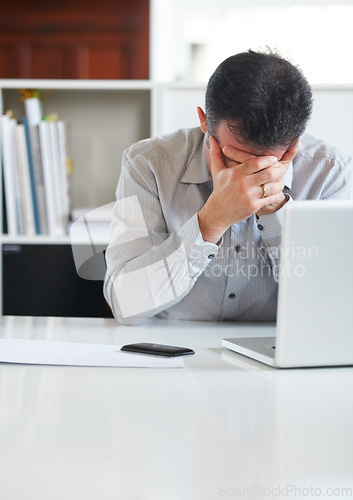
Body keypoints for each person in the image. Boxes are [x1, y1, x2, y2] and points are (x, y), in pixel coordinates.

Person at [103, 49, 353, 325]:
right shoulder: (148, 163)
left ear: (294, 143)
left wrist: (275, 212)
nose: (249, 176)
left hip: (276, 354)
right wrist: (211, 221)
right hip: (171, 350)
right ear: (204, 122)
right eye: (235, 158)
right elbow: (125, 304)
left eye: (268, 162)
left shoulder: (332, 172)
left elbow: (332, 308)